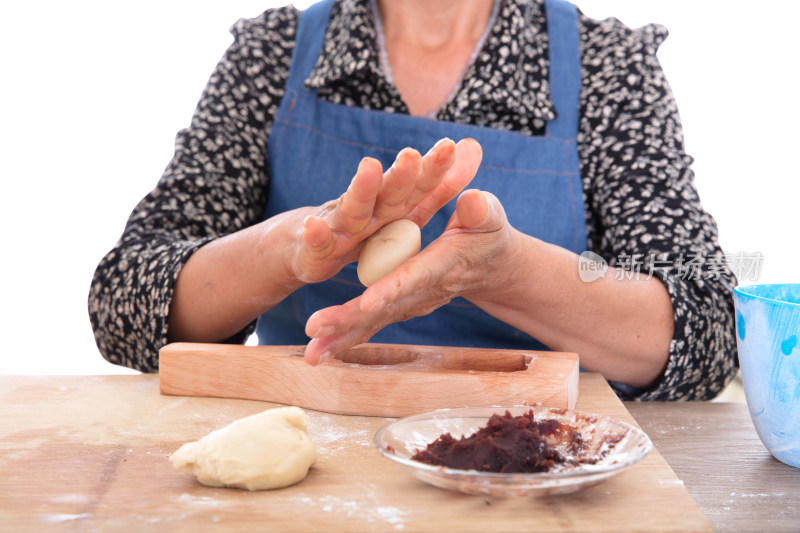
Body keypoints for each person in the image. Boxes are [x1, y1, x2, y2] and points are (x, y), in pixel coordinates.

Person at [88, 0, 738, 401]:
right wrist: (285, 248)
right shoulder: (273, 54)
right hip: (304, 475)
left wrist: (505, 273)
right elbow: (126, 304)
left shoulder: (604, 67)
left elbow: (708, 326)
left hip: (531, 477)